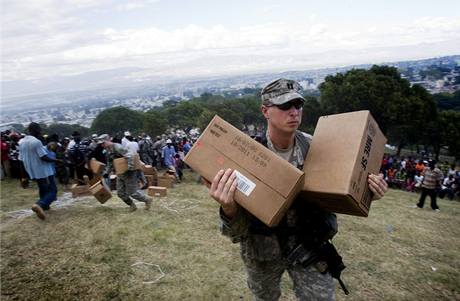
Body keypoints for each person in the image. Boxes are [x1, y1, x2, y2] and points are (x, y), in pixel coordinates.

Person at [208, 78, 388, 301]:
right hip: (263, 251)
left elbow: (345, 191)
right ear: (265, 111)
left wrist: (369, 191)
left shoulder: (319, 149)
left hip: (310, 246)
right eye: (285, 106)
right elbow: (234, 233)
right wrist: (229, 208)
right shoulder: (247, 157)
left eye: (298, 105)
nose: (294, 112)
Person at [97, 134, 152, 211]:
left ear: (109, 140)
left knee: (132, 193)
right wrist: (107, 172)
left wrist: (129, 168)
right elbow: (110, 163)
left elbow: (130, 156)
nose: (102, 145)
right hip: (120, 173)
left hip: (129, 173)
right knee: (120, 193)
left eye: (103, 143)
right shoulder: (108, 151)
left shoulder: (117, 147)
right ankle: (132, 205)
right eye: (101, 144)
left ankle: (147, 199)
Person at [18, 123, 59, 220]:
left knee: (43, 188)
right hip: (44, 171)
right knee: (53, 190)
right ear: (36, 130)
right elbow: (44, 157)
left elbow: (21, 160)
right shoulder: (36, 142)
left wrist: (23, 177)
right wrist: (57, 160)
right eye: (39, 130)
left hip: (33, 172)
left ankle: (45, 207)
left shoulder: (22, 142)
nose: (40, 132)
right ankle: (39, 204)